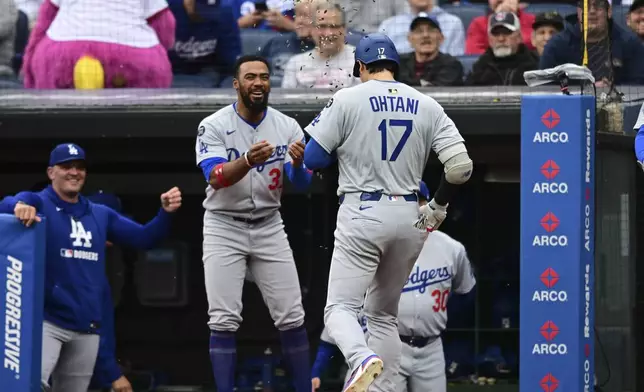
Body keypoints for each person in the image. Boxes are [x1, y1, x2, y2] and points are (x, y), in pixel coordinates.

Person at [302, 33, 473, 392]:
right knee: (383, 315)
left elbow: (314, 157)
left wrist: (347, 145)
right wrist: (439, 205)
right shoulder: (426, 103)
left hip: (363, 209)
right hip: (411, 214)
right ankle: (384, 383)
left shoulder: (348, 97)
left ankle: (360, 358)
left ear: (361, 67)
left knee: (340, 310)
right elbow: (460, 168)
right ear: (394, 66)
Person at [0, 143, 181, 392]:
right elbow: (11, 201)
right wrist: (18, 206)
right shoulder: (40, 202)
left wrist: (165, 212)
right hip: (48, 321)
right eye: (67, 167)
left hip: (86, 326)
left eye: (80, 167)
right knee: (32, 387)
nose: (74, 172)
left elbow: (144, 238)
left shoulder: (100, 213)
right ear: (51, 172)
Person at [194, 54, 314, 392]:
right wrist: (246, 160)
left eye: (263, 76)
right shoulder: (213, 124)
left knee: (292, 315)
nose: (258, 82)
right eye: (250, 77)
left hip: (268, 222)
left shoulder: (287, 125)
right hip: (223, 224)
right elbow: (215, 177)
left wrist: (299, 165)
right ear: (237, 84)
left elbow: (301, 184)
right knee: (223, 317)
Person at [311, 183, 477, 392]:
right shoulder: (379, 245)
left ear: (427, 204)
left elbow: (466, 293)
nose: (415, 209)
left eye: (418, 202)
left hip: (432, 348)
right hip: (391, 343)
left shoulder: (452, 249)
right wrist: (318, 367)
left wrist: (440, 322)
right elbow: (345, 309)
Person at [21, 0, 176, 89]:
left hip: (66, 43)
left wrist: (30, 64)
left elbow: (45, 19)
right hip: (133, 48)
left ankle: (87, 75)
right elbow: (164, 26)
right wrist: (164, 49)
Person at [540, 0, 644, 86]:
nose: (592, 11)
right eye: (585, 5)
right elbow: (545, 89)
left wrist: (612, 91)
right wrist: (586, 93)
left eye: (598, 5)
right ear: (579, 11)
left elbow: (639, 87)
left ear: (609, 11)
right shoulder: (557, 46)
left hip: (618, 108)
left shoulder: (630, 44)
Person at [281, 3, 359, 89]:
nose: (328, 33)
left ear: (344, 29)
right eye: (322, 26)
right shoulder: (295, 64)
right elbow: (288, 101)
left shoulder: (361, 60)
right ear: (312, 29)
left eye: (334, 27)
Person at [465, 11, 538, 86]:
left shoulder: (535, 68)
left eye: (507, 32)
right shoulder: (479, 70)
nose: (501, 39)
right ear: (489, 39)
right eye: (496, 34)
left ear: (519, 37)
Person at [397, 13, 464, 86]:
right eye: (419, 31)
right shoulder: (398, 63)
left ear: (441, 38)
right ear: (410, 39)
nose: (425, 35)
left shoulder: (451, 65)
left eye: (431, 30)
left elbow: (437, 90)